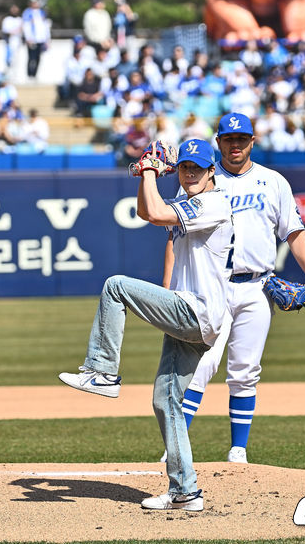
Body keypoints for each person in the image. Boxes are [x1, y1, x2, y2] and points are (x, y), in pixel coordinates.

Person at [59, 138, 233, 511]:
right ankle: (186, 491)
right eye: (185, 167)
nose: (189, 173)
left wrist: (152, 168)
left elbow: (155, 214)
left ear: (212, 171)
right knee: (166, 400)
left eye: (197, 168)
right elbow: (145, 210)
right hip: (196, 314)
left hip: (197, 311)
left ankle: (102, 371)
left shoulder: (212, 203)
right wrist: (145, 173)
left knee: (116, 286)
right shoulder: (193, 201)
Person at [161, 112, 305, 464]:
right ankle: (175, 447)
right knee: (201, 366)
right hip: (210, 287)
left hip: (257, 287)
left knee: (245, 370)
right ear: (218, 142)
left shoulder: (274, 182)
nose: (235, 145)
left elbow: (293, 232)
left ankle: (238, 450)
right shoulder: (200, 178)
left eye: (242, 139)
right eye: (229, 139)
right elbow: (175, 237)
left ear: (252, 141)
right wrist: (170, 288)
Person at [22, 0, 50, 79]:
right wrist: (28, 38)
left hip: (40, 39)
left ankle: (34, 75)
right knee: (31, 58)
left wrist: (47, 39)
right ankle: (29, 75)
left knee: (38, 58)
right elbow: (26, 26)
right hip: (32, 39)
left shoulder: (42, 12)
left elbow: (45, 26)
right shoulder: (27, 12)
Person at [0, 4, 23, 69]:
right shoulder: (7, 19)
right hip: (9, 42)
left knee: (16, 59)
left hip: (18, 42)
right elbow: (6, 31)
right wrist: (15, 31)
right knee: (9, 59)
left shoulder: (20, 19)